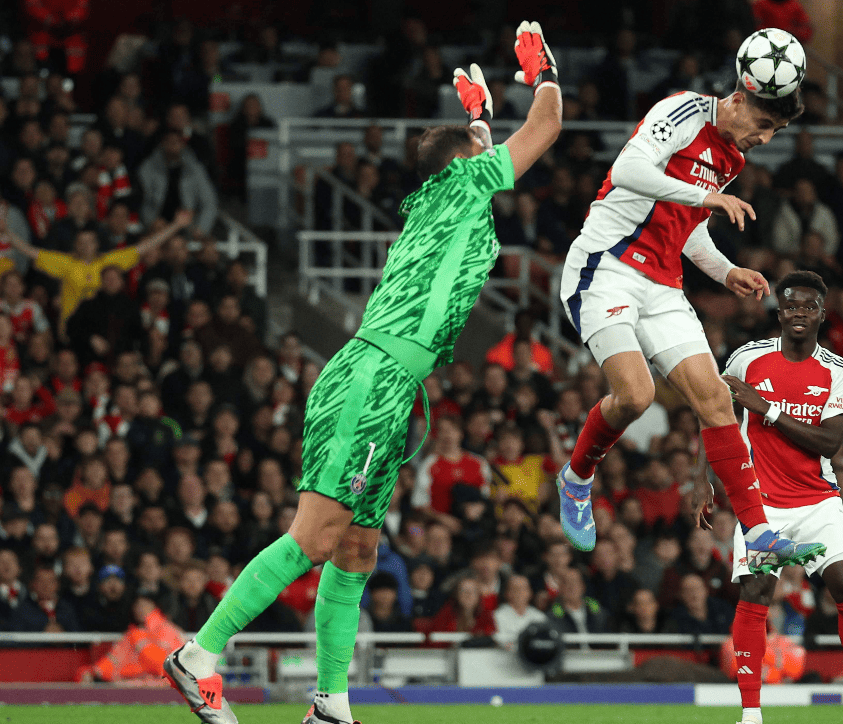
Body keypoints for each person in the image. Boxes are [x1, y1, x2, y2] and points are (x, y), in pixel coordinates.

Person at [163, 24, 564, 724]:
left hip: (385, 381)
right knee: (316, 537)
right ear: (468, 160)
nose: (492, 154)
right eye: (482, 147)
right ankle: (198, 657)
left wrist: (477, 118)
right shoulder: (465, 183)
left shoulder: (444, 198)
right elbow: (549, 124)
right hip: (374, 380)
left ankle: (330, 704)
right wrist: (542, 72)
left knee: (357, 548)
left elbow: (479, 151)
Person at [555, 30, 818, 572]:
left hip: (661, 283)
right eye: (766, 125)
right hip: (605, 267)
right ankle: (576, 479)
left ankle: (759, 531)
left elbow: (689, 227)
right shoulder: (682, 111)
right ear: (740, 98)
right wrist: (707, 196)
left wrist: (726, 271)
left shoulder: (732, 158)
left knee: (717, 401)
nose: (766, 139)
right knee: (634, 396)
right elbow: (628, 171)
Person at [720, 270, 843, 724]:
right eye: (791, 305)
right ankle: (751, 715)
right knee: (756, 591)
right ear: (779, 313)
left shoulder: (839, 370)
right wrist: (706, 481)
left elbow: (829, 442)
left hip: (817, 499)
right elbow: (713, 413)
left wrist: (768, 410)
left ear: (822, 314)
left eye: (808, 307)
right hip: (761, 502)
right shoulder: (745, 359)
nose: (799, 313)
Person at [6, 212, 192, 330]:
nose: (86, 245)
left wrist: (175, 225)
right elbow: (29, 251)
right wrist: (5, 232)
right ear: (76, 245)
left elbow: (145, 246)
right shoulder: (65, 262)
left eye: (90, 241)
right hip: (72, 330)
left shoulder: (109, 261)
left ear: (96, 244)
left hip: (102, 331)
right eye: (82, 242)